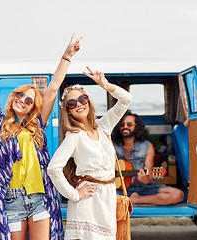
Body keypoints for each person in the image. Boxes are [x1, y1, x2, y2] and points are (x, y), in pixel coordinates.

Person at [0, 34, 82, 240]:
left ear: (33, 108)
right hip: (11, 199)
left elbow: (51, 90)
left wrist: (67, 57)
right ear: (13, 97)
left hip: (39, 197)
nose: (23, 100)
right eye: (20, 95)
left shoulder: (37, 127)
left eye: (29, 100)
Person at [47, 68, 132, 240]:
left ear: (89, 102)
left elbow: (126, 100)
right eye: (72, 103)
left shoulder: (103, 126)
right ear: (68, 111)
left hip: (107, 197)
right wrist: (74, 194)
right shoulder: (74, 135)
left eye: (82, 99)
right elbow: (53, 168)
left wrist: (105, 85)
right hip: (87, 201)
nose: (78, 104)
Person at [111, 110, 184, 205]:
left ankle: (136, 200)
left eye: (129, 124)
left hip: (145, 188)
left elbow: (149, 176)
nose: (125, 127)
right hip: (120, 188)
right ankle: (126, 199)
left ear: (136, 127)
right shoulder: (112, 145)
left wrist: (145, 179)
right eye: (122, 124)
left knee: (177, 195)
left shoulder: (146, 146)